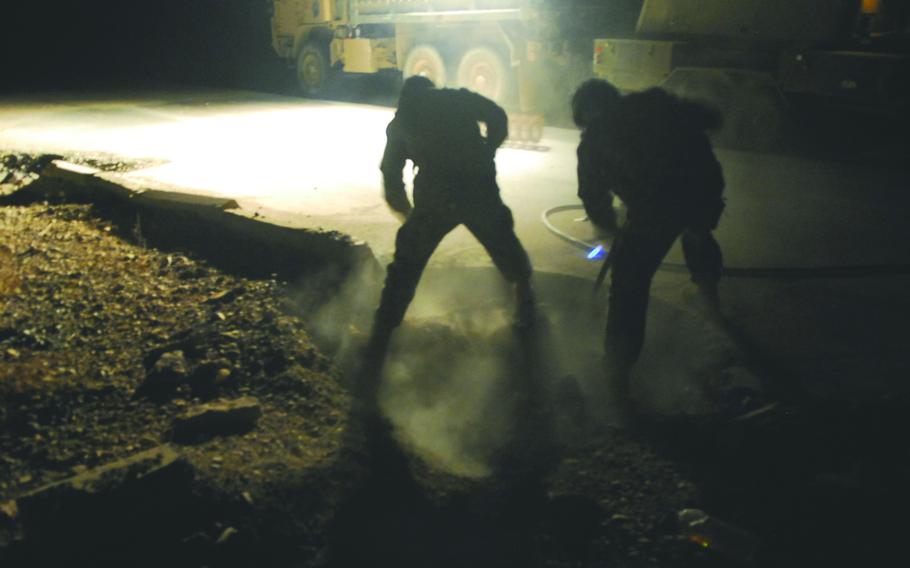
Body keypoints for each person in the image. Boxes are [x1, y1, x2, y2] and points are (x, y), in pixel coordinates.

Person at [355, 76, 535, 412]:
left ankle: (383, 330)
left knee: (406, 264)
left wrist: (410, 217)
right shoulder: (456, 97)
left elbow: (391, 177)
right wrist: (489, 149)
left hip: (435, 198)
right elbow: (497, 114)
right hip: (479, 189)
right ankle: (526, 308)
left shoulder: (402, 117)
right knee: (505, 245)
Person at [572, 79, 726, 403]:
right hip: (703, 187)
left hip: (659, 207)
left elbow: (592, 195)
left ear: (588, 110)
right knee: (697, 235)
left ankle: (617, 371)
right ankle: (709, 296)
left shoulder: (595, 140)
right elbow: (705, 121)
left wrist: (610, 231)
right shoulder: (653, 105)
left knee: (629, 283)